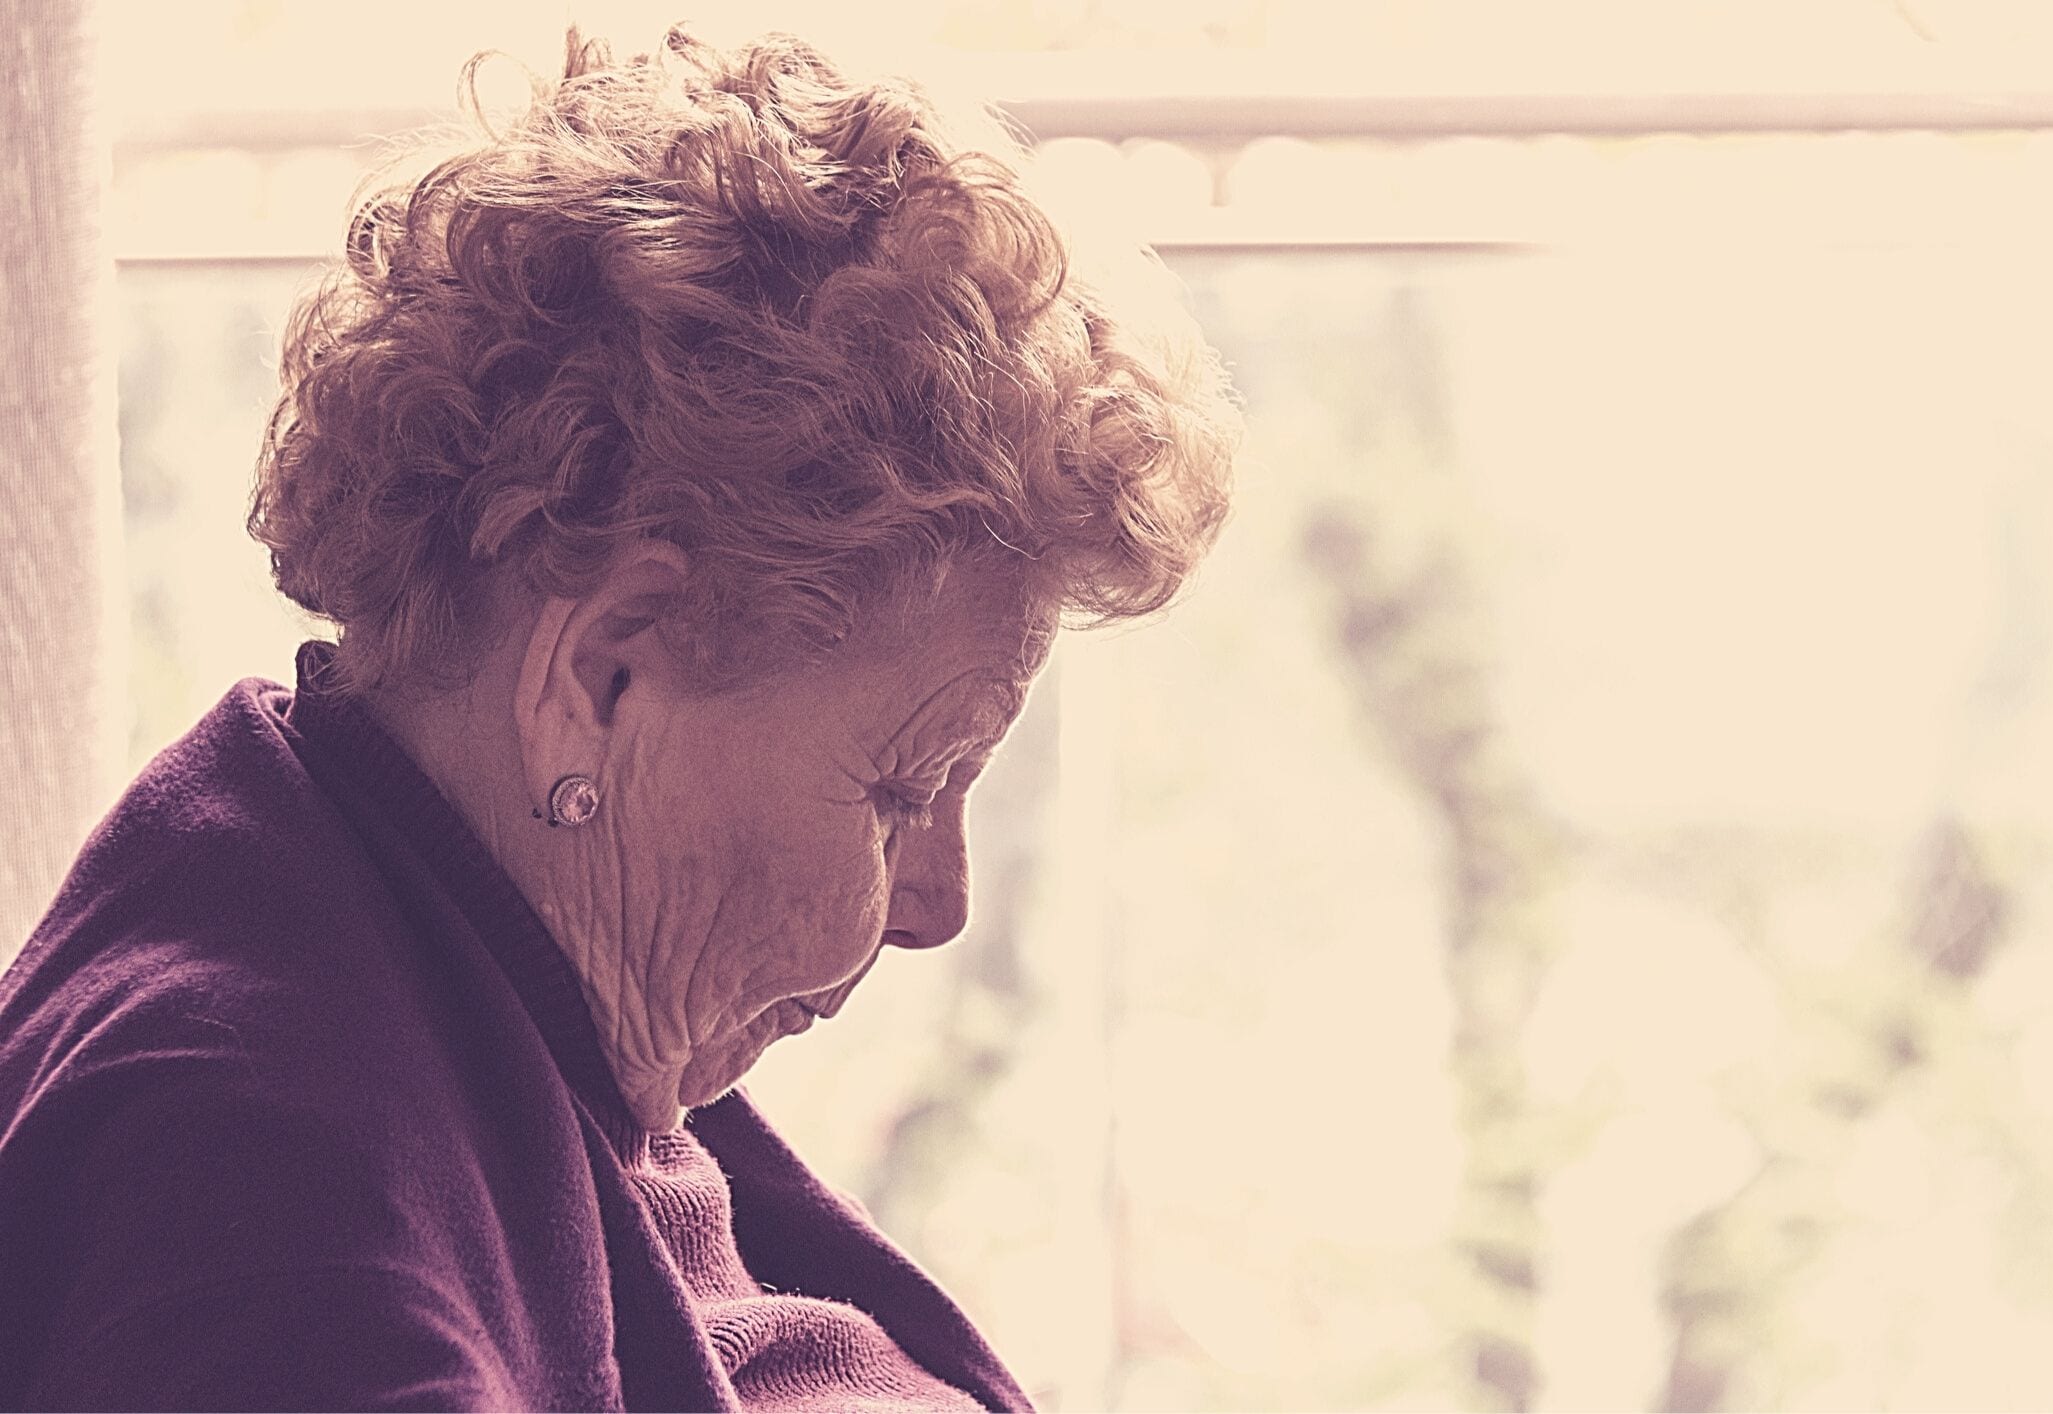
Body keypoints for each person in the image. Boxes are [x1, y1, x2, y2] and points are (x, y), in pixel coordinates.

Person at [0, 23, 1241, 1411]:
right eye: (903, 788)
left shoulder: (434, 940)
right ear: (598, 677)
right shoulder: (267, 1229)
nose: (937, 907)